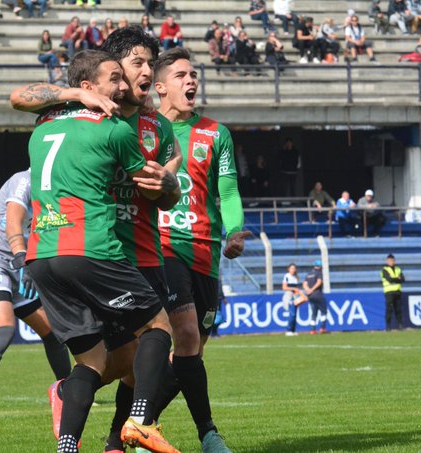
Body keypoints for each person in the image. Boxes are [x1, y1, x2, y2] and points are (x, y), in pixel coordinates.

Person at [10, 27, 183, 451]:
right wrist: (168, 177)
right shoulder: (112, 127)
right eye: (127, 70)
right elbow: (17, 96)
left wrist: (171, 179)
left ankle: (81, 436)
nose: (132, 80)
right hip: (97, 248)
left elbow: (163, 196)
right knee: (158, 334)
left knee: (113, 360)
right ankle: (138, 424)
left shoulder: (51, 122)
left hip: (54, 251)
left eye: (145, 67)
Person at [153, 47, 249, 452]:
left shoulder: (215, 132)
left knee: (190, 352)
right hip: (162, 247)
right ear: (160, 87)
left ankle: (138, 424)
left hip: (207, 253)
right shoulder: (143, 129)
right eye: (180, 75)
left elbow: (226, 190)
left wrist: (237, 230)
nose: (191, 80)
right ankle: (209, 434)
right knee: (186, 332)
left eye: (193, 74)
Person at [0, 171, 72, 414]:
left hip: (19, 270)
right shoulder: (24, 181)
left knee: (53, 333)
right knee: (5, 329)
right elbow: (13, 223)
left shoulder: (54, 186)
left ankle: (69, 392)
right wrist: (24, 259)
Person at [303, 260, 328, 334]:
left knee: (314, 313)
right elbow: (319, 282)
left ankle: (312, 330)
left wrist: (308, 290)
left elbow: (304, 284)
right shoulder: (319, 273)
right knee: (324, 312)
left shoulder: (309, 274)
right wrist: (312, 290)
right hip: (318, 294)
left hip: (310, 296)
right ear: (320, 267)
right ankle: (322, 328)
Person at [381, 254, 405, 330]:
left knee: (398, 309)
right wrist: (397, 279)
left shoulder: (398, 269)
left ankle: (400, 325)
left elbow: (403, 279)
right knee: (389, 309)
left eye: (392, 260)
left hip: (397, 291)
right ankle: (388, 326)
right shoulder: (384, 270)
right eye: (390, 260)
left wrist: (395, 279)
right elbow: (389, 280)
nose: (391, 262)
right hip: (389, 292)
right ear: (387, 261)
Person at [282, 263, 306, 336]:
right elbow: (284, 288)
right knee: (292, 313)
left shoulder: (295, 277)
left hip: (295, 296)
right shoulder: (287, 276)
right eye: (291, 268)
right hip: (289, 295)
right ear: (288, 269)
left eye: (294, 268)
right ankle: (288, 330)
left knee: (295, 314)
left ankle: (293, 330)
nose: (293, 270)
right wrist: (294, 288)